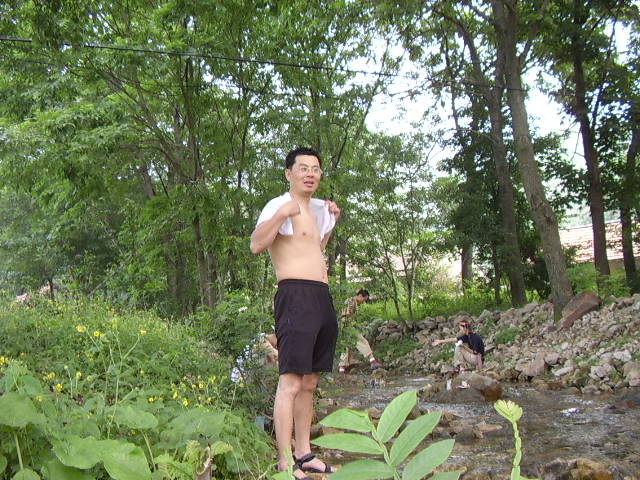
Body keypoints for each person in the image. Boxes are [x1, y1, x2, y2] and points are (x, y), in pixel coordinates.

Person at [250, 147, 340, 479]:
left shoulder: (317, 209)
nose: (310, 174)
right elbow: (256, 245)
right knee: (290, 381)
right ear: (289, 174)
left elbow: (314, 249)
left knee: (310, 381)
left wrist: (332, 222)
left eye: (315, 169)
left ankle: (304, 453)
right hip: (295, 295)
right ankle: (285, 461)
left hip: (321, 296)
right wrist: (280, 215)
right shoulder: (279, 204)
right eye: (303, 168)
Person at [338, 289, 382, 373]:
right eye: (364, 300)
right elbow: (346, 316)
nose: (363, 302)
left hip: (345, 327)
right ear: (360, 296)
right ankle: (372, 361)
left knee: (347, 347)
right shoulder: (350, 302)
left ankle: (342, 369)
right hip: (348, 327)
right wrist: (352, 326)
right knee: (362, 341)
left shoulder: (353, 302)